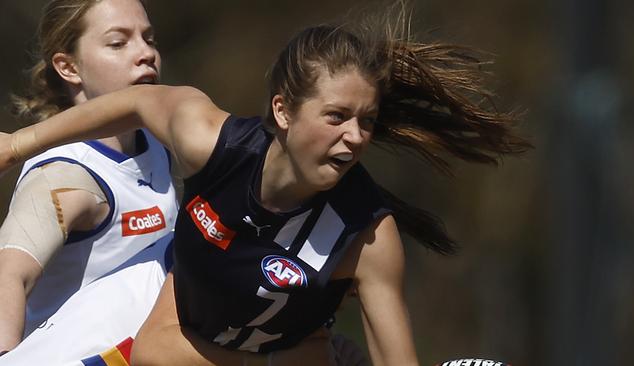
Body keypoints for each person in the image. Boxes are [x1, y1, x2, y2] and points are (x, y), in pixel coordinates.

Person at [0, 3, 530, 365]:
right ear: (282, 110)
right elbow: (137, 104)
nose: (354, 138)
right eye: (337, 116)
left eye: (366, 122)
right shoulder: (207, 143)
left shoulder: (367, 237)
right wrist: (19, 144)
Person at [0, 0, 177, 361]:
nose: (145, 53)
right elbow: (8, 276)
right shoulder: (64, 174)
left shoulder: (158, 143)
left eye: (149, 38)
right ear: (69, 67)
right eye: (118, 43)